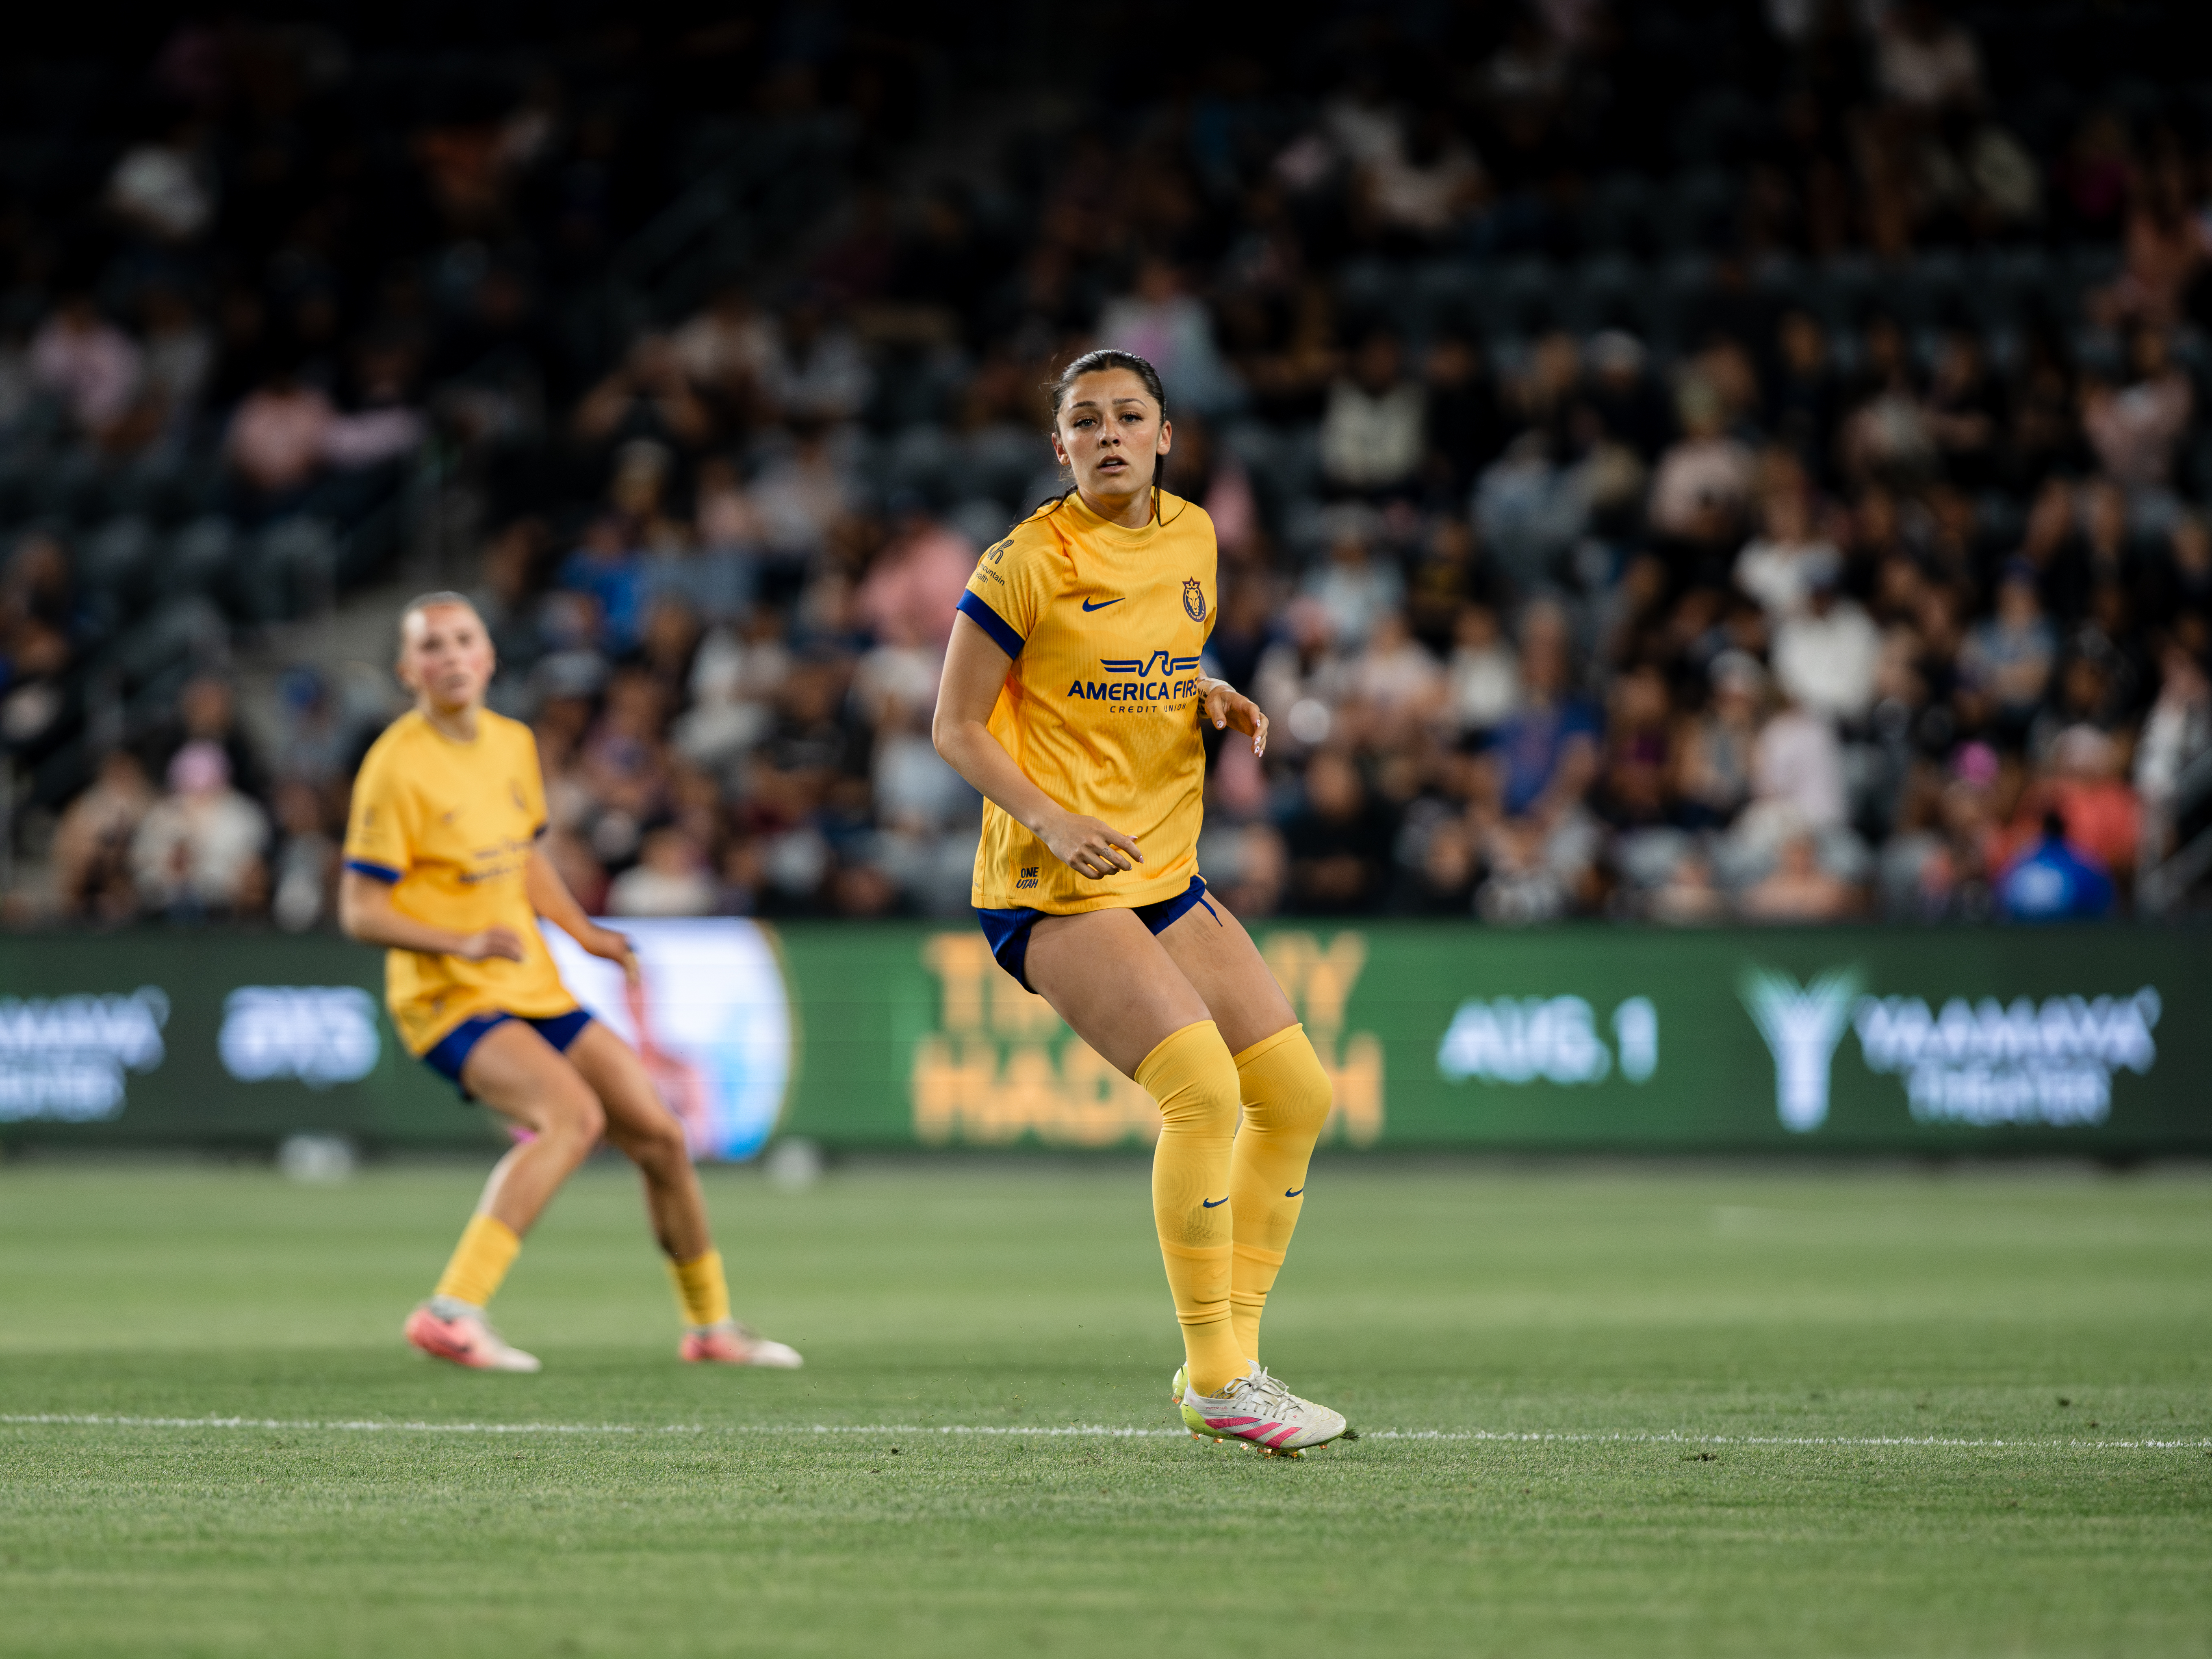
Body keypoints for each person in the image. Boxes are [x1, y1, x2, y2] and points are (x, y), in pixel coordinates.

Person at [930, 348, 1348, 1455]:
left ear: (1166, 435)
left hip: (1162, 866)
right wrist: (1050, 817)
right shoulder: (1022, 562)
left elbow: (1140, 660)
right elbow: (956, 726)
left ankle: (1235, 1365)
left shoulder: (1196, 534)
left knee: (1296, 1095)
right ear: (1057, 445)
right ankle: (1215, 1377)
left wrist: (1196, 689)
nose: (1107, 433)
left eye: (1128, 416)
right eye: (1084, 420)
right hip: (1051, 877)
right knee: (1203, 1092)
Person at [339, 592, 800, 1375]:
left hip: (535, 983)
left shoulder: (512, 743)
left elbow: (524, 857)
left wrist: (583, 933)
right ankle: (452, 1311)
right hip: (448, 997)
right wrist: (458, 940)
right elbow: (360, 910)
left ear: (488, 657)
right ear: (407, 669)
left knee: (657, 1133)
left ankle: (712, 1328)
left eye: (463, 641)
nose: (450, 657)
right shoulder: (395, 766)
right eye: (432, 647)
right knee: (570, 1119)